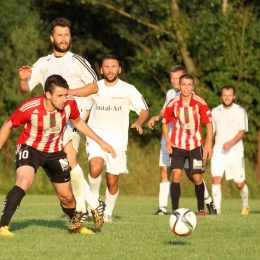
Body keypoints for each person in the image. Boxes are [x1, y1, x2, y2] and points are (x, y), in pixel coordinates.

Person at [0, 75, 116, 237]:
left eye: (65, 94)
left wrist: (100, 142)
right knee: (24, 180)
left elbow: (78, 122)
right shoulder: (30, 107)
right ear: (48, 94)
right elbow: (8, 124)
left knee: (67, 197)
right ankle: (2, 226)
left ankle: (75, 226)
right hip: (30, 148)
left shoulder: (69, 103)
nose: (64, 99)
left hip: (55, 151)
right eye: (60, 96)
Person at [18, 17, 98, 228]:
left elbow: (94, 87)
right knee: (69, 165)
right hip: (51, 124)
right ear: (52, 37)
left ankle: (82, 208)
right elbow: (26, 89)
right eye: (60, 35)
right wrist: (22, 79)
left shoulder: (77, 60)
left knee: (70, 160)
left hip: (73, 118)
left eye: (67, 35)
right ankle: (92, 204)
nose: (64, 39)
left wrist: (70, 92)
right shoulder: (43, 62)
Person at [68, 54, 149, 222]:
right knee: (95, 168)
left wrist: (139, 122)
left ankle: (108, 213)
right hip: (96, 136)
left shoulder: (128, 89)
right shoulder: (94, 88)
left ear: (119, 69)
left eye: (113, 67)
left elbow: (144, 110)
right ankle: (95, 202)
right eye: (106, 67)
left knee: (112, 180)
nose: (110, 70)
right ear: (101, 70)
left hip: (118, 140)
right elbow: (86, 108)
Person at [148, 66, 216, 215]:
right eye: (174, 79)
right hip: (176, 143)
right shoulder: (171, 99)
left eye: (187, 84)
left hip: (195, 145)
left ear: (191, 86)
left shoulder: (198, 101)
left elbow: (209, 123)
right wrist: (167, 139)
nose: (183, 86)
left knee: (196, 177)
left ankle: (204, 205)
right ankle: (171, 210)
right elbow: (166, 119)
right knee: (172, 173)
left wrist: (209, 144)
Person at [211, 85, 249, 215]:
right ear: (221, 96)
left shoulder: (240, 111)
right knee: (216, 179)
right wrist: (208, 146)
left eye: (230, 95)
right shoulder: (215, 112)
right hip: (218, 152)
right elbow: (212, 131)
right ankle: (217, 210)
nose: (227, 98)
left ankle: (245, 206)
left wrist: (230, 143)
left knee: (239, 184)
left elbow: (242, 131)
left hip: (235, 153)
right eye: (224, 95)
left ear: (234, 96)